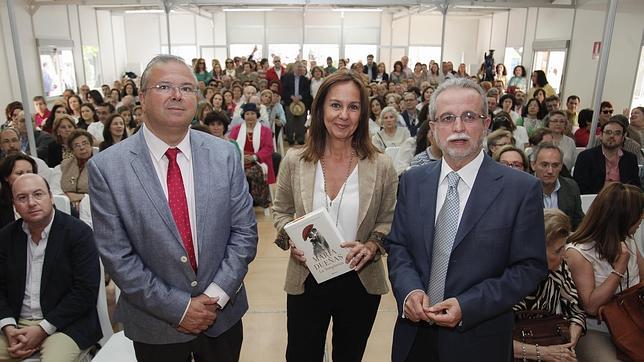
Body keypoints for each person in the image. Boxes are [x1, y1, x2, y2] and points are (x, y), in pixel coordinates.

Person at [88, 54, 258, 362]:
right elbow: (117, 256)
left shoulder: (225, 155)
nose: (177, 95)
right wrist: (178, 308)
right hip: (155, 325)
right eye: (164, 86)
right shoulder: (107, 168)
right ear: (142, 97)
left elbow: (244, 233)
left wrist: (214, 297)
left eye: (187, 88)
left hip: (222, 319)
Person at [385, 78, 547, 362]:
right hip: (415, 336)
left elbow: (529, 268)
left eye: (469, 117)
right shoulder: (413, 181)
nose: (458, 127)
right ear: (433, 129)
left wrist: (468, 305)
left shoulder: (520, 189)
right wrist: (409, 290)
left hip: (478, 338)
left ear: (486, 125)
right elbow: (399, 246)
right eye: (447, 118)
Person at [272, 70, 397, 362]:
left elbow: (389, 220)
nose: (344, 115)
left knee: (349, 355)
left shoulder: (381, 165)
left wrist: (372, 246)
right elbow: (280, 212)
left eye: (353, 107)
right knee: (301, 355)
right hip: (307, 277)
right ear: (320, 109)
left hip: (360, 279)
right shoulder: (295, 160)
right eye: (335, 105)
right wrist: (292, 240)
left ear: (363, 113)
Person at [0, 173, 102, 361]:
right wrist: (8, 326)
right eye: (22, 198)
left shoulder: (78, 233)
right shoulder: (6, 237)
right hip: (15, 323)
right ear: (14, 204)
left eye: (38, 194)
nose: (31, 203)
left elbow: (85, 291)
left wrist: (42, 329)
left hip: (65, 325)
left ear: (51, 196)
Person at [565, 182, 643, 361]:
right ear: (623, 217)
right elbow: (591, 305)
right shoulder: (578, 251)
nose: (641, 219)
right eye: (638, 213)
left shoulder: (627, 239)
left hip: (631, 319)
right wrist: (619, 268)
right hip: (596, 328)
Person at [512, 209, 586, 362]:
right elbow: (493, 341)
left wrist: (569, 340)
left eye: (564, 247)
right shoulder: (508, 278)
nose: (564, 255)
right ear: (536, 249)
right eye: (558, 250)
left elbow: (576, 311)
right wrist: (543, 353)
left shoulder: (559, 269)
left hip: (551, 345)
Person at [573, 118, 641, 194]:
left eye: (617, 133)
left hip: (623, 201)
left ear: (623, 138)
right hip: (593, 200)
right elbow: (579, 187)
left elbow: (635, 187)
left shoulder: (630, 159)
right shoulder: (585, 157)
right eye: (608, 132)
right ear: (601, 135)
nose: (612, 136)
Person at [229, 103, 275, 208]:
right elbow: (231, 145)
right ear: (243, 116)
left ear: (257, 115)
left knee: (252, 173)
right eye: (247, 114)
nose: (250, 116)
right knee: (236, 173)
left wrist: (254, 157)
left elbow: (268, 148)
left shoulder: (265, 131)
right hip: (239, 160)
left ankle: (256, 200)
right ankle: (240, 202)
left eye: (253, 113)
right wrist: (241, 157)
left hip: (259, 161)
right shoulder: (236, 130)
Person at [531, 142, 585, 229]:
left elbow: (579, 222)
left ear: (561, 166)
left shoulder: (571, 187)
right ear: (533, 165)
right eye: (544, 165)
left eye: (555, 165)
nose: (550, 171)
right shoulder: (523, 190)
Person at [0, 154, 37, 228]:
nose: (25, 177)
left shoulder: (44, 197)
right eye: (19, 173)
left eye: (29, 172)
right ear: (6, 177)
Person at [281, 61, 312, 145]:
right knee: (289, 121)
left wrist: (300, 97)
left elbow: (307, 92)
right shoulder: (287, 77)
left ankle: (300, 138)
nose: (300, 69)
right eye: (298, 67)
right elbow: (284, 90)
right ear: (294, 68)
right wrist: (292, 97)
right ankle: (290, 138)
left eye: (302, 67)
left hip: (301, 103)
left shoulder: (305, 80)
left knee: (301, 121)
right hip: (289, 102)